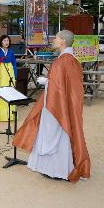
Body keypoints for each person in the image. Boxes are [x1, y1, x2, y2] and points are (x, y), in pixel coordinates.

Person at [13, 30, 91, 182]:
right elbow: (68, 85)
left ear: (62, 41)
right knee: (63, 137)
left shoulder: (62, 61)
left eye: (55, 37)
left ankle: (54, 169)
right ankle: (60, 168)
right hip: (65, 104)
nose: (53, 40)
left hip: (56, 107)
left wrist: (45, 82)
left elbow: (57, 87)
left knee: (53, 136)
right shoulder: (73, 59)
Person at [0, 35, 17, 122]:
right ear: (1, 42)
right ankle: (2, 115)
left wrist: (15, 75)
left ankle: (10, 114)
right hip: (2, 72)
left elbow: (14, 63)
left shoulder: (11, 52)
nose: (6, 42)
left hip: (9, 71)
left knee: (10, 91)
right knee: (2, 91)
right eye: (4, 41)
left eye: (7, 40)